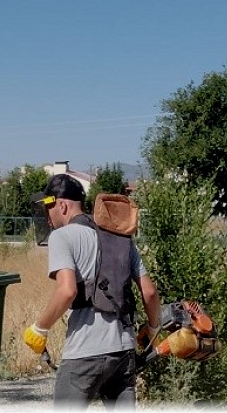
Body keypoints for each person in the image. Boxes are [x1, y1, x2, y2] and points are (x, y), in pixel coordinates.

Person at [23, 174, 160, 409]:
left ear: (62, 205)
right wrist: (154, 327)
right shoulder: (120, 238)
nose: (48, 217)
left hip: (85, 352)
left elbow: (66, 291)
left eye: (49, 208)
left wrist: (40, 328)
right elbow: (149, 292)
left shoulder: (62, 236)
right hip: (123, 350)